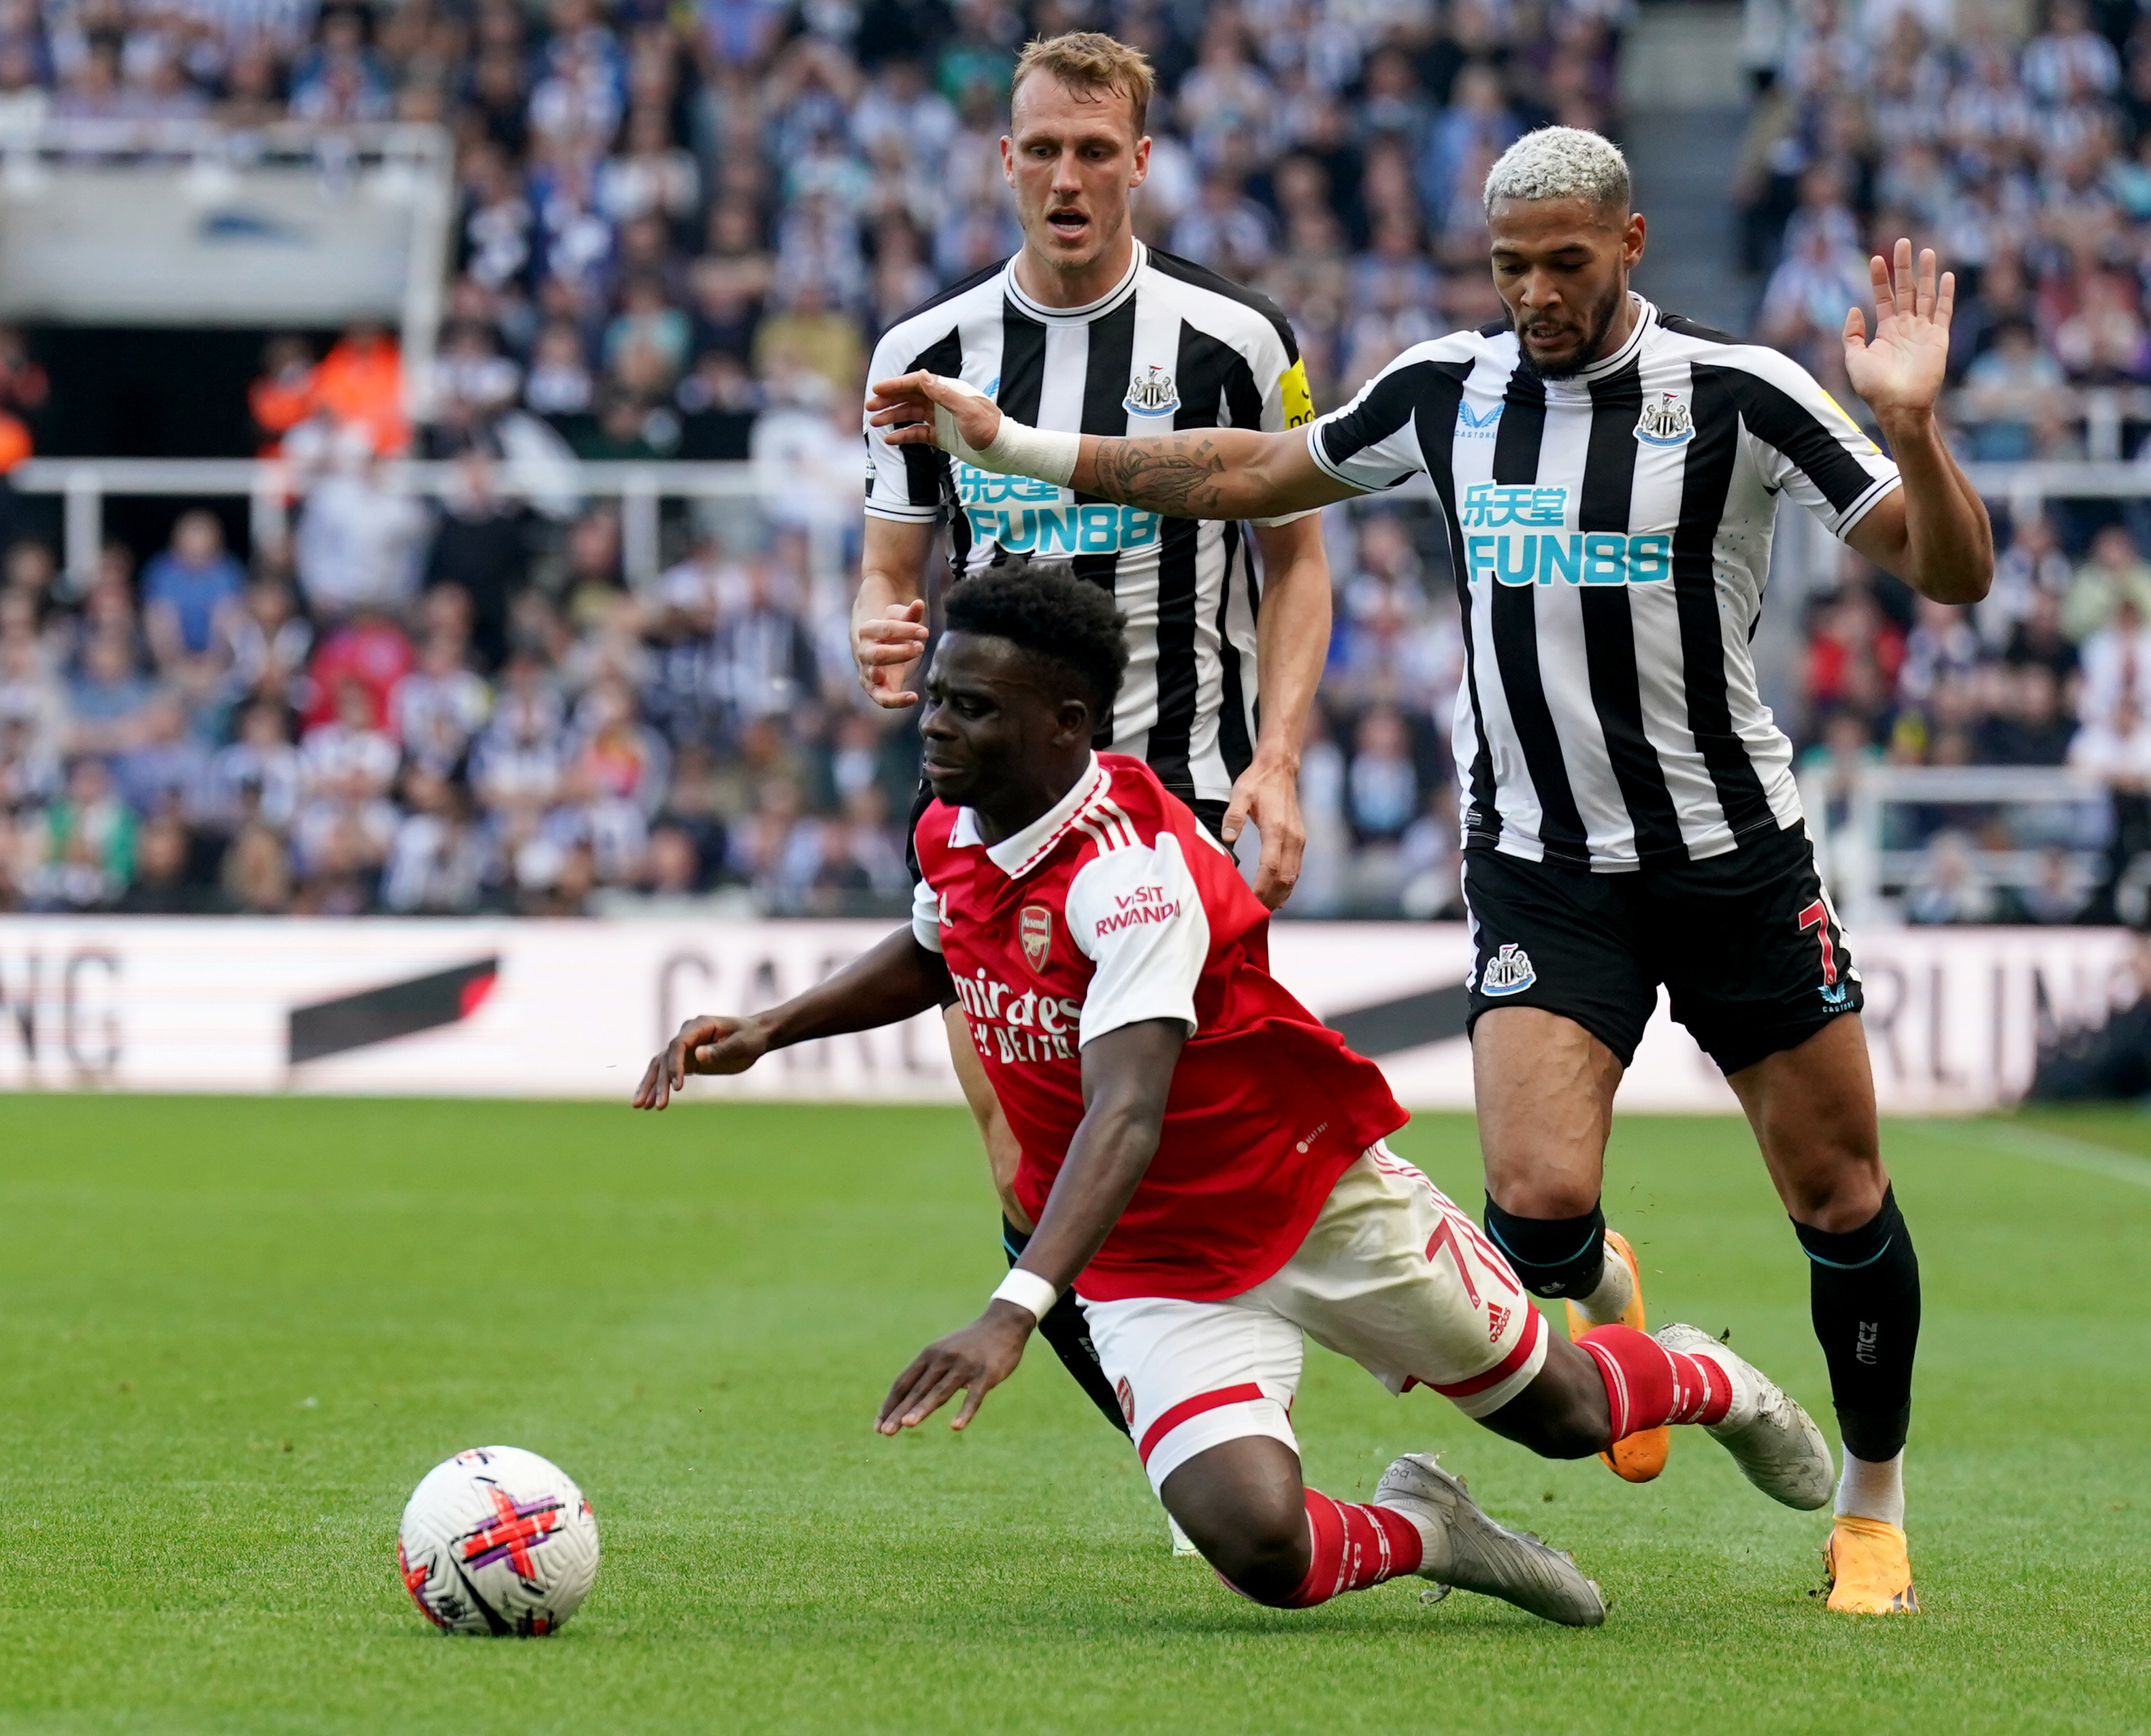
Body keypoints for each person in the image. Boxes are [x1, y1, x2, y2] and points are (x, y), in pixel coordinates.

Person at [872, 127, 1996, 1614]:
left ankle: (1871, 1508)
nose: (1535, 294)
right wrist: (1005, 444)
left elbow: (1951, 570)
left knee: (1840, 1194)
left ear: (1632, 244)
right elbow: (1247, 470)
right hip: (1541, 862)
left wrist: (1914, 428)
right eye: (1510, 266)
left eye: (1566, 265)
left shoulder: (1741, 393)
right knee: (1529, 1211)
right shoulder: (1443, 390)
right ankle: (1607, 1298)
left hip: (1732, 857)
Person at [632, 570, 1832, 1624]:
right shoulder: (958, 823)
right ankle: (1439, 1533)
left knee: (1569, 1417)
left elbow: (1128, 1112)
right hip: (1150, 1260)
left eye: (972, 707)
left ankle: (1707, 1378)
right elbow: (939, 942)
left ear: (1068, 725)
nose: (934, 726)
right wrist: (772, 1029)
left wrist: (1011, 1309)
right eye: (939, 695)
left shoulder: (1131, 876)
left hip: (1304, 1196)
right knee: (1260, 1550)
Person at [851, 33, 1335, 1460]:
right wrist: (877, 631)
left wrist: (1282, 757)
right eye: (1042, 149)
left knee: (1184, 1145)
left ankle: (1239, 1429)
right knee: (1019, 1157)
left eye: (1094, 150)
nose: (1067, 175)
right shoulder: (924, 355)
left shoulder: (1235, 343)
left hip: (1176, 800)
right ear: (1005, 162)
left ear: (1140, 159)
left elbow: (1299, 566)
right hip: (998, 810)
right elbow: (888, 572)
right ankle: (1198, 1444)